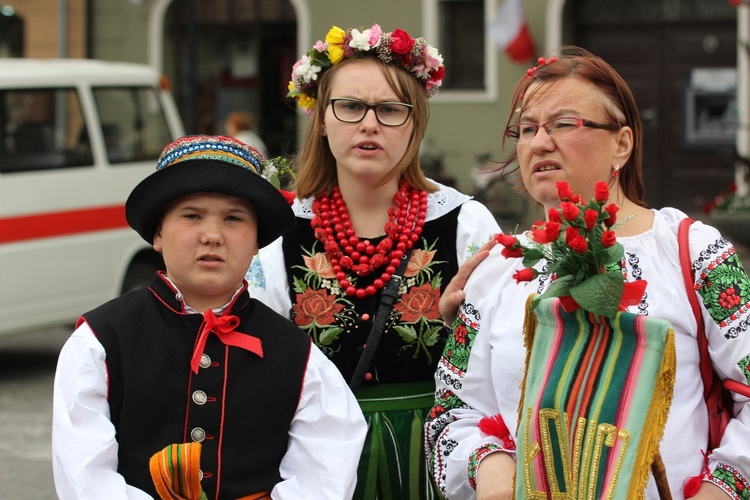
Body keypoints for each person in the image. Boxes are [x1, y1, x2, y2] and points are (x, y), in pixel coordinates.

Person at [425, 47, 750, 499]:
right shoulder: (498, 269)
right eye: (526, 128)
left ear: (622, 143)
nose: (538, 142)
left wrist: (721, 490)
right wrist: (490, 469)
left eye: (563, 123)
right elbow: (452, 410)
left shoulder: (693, 251)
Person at [247, 24, 500, 499]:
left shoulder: (467, 225)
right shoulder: (279, 233)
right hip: (315, 464)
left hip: (440, 459)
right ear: (321, 119)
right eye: (350, 107)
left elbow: (502, 359)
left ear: (415, 123)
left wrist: (455, 329)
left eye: (389, 109)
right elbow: (255, 366)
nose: (369, 124)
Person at [52, 135, 367, 499]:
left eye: (233, 218)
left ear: (256, 242)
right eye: (192, 216)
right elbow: (84, 477)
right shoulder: (100, 343)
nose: (212, 235)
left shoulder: (298, 356)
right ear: (157, 232)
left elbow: (326, 473)